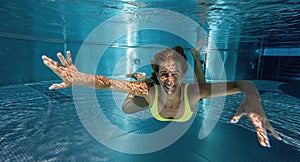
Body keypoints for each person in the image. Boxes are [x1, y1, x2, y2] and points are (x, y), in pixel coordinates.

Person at [41, 45, 282, 147]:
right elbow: (106, 84)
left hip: (182, 94)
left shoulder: (193, 92)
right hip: (147, 94)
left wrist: (253, 99)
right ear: (160, 74)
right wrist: (79, 77)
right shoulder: (150, 91)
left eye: (175, 74)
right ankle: (142, 77)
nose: (170, 80)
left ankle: (185, 60)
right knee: (128, 106)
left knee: (202, 87)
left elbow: (244, 83)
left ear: (182, 75)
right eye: (164, 74)